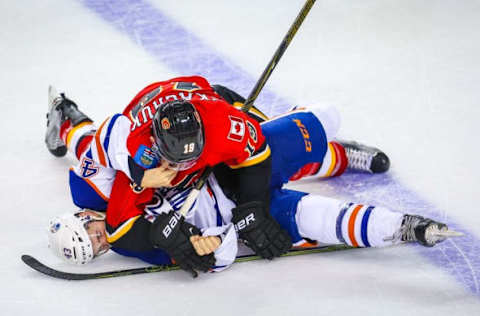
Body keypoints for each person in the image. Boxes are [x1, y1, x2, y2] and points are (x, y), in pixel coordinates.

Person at [44, 84, 456, 277]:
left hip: (220, 140)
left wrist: (140, 172)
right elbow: (213, 255)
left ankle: (332, 152)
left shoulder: (97, 182)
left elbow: (103, 140)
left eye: (91, 234)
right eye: (98, 248)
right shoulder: (123, 226)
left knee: (319, 122)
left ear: (81, 215)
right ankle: (394, 217)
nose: (101, 240)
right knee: (309, 217)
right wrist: (208, 245)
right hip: (216, 187)